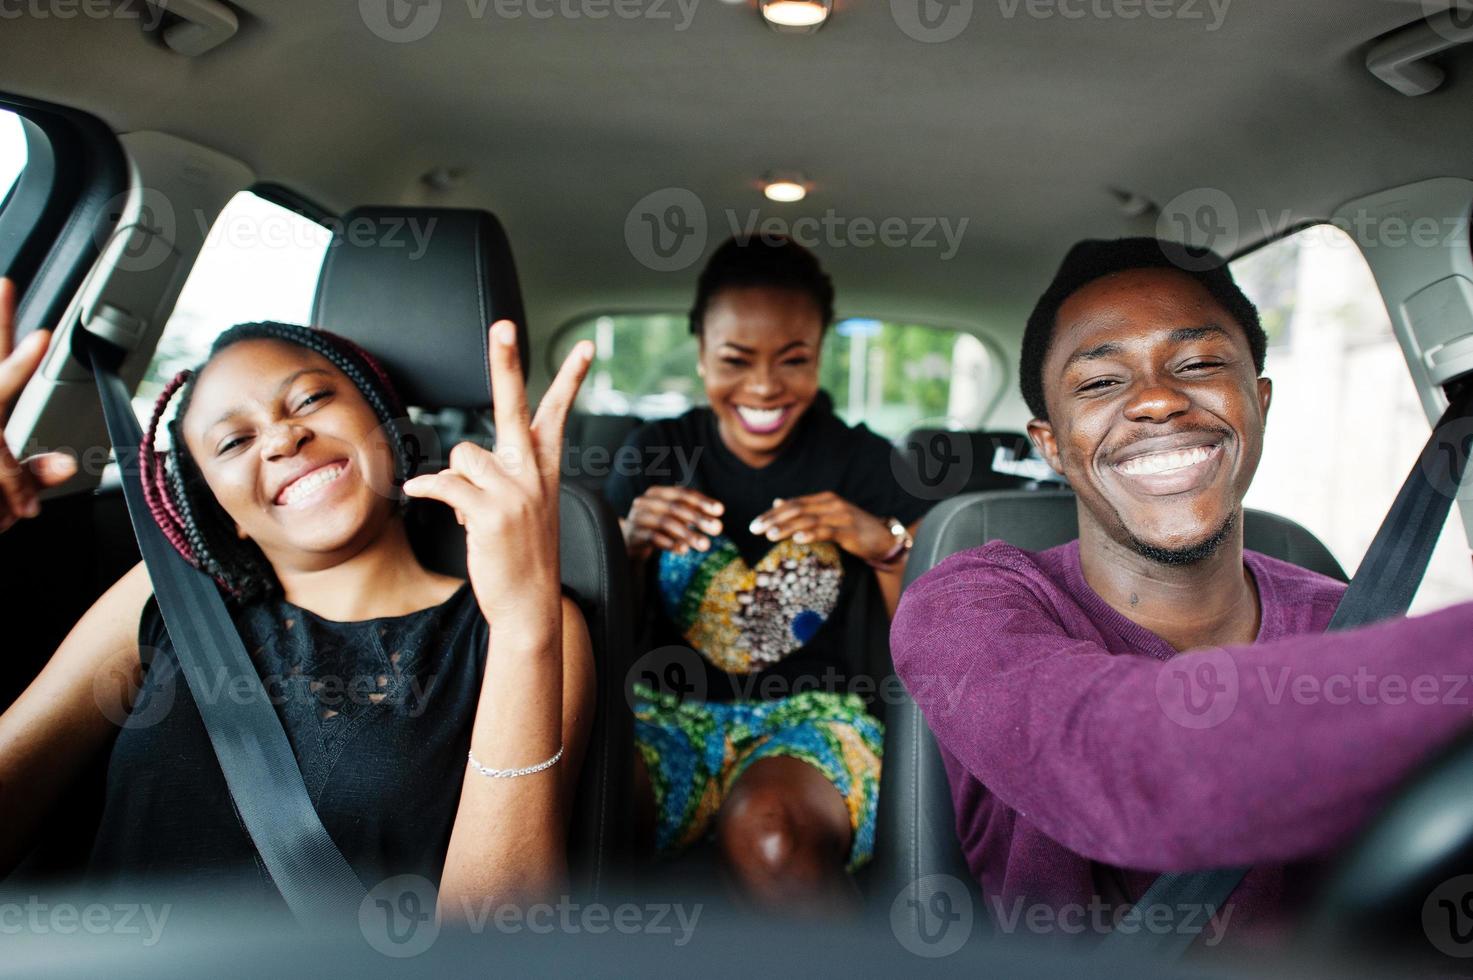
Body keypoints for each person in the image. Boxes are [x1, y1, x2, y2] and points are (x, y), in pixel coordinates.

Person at [890, 237, 1473, 947]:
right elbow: (1127, 765)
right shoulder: (967, 608)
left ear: (1256, 402)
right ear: (1048, 443)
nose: (1159, 399)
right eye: (1100, 382)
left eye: (1197, 364)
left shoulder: (1345, 620)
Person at [0, 276, 596, 920]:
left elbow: (496, 947)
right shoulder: (165, 598)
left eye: (310, 399)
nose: (283, 440)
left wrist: (522, 625)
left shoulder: (520, 625)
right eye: (233, 442)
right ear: (219, 510)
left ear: (383, 418)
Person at [605, 236, 931, 913]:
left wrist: (881, 542)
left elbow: (936, 627)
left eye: (793, 360)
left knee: (772, 837)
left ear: (819, 356)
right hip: (667, 712)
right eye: (734, 360)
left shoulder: (861, 459)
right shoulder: (656, 452)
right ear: (699, 354)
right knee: (589, 806)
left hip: (814, 719)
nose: (762, 387)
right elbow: (598, 627)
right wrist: (628, 544)